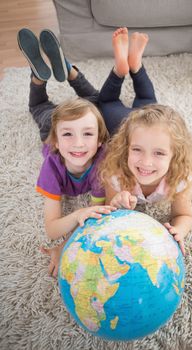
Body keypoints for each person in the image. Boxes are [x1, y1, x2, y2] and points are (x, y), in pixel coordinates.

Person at [17, 27, 156, 276]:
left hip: (68, 122)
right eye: (69, 137)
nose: (78, 144)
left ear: (102, 141)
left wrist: (71, 235)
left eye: (89, 136)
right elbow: (52, 228)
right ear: (57, 143)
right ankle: (53, 73)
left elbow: (98, 211)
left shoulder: (103, 163)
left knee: (93, 102)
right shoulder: (52, 164)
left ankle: (54, 74)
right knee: (43, 107)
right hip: (53, 124)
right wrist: (78, 214)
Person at [100, 104, 192, 256]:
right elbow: (110, 210)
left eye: (159, 153)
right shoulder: (115, 175)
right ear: (126, 148)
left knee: (145, 100)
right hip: (114, 116)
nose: (146, 162)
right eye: (137, 149)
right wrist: (116, 203)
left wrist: (178, 230)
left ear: (175, 155)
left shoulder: (179, 178)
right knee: (106, 105)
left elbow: (183, 215)